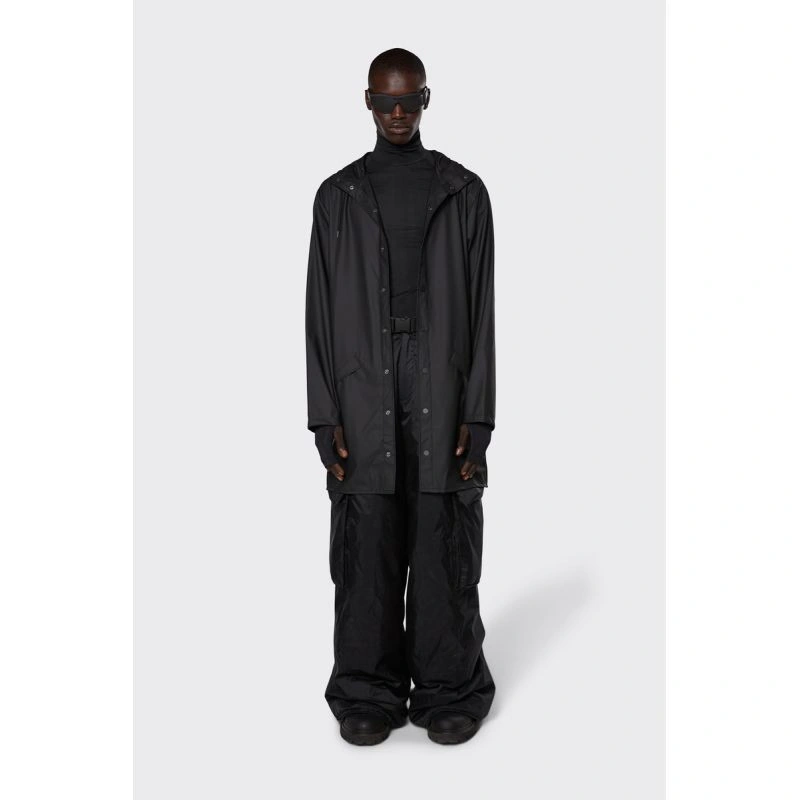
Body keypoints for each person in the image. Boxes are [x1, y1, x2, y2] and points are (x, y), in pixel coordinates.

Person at [305, 47, 496, 746]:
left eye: (408, 100)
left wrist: (478, 414)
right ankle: (367, 690)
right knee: (367, 542)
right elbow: (317, 313)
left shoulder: (463, 192)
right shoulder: (337, 198)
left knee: (443, 534)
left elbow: (483, 313)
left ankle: (449, 687)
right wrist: (324, 416)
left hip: (440, 378)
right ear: (367, 101)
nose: (396, 112)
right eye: (385, 100)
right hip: (363, 382)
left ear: (425, 101)